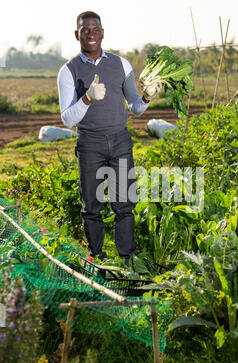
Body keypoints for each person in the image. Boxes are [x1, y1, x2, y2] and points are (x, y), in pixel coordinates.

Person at [57, 11, 161, 266]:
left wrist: (147, 97)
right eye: (85, 30)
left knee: (124, 203)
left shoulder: (121, 65)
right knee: (92, 205)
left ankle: (127, 257)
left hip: (120, 141)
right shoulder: (68, 71)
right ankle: (98, 257)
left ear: (103, 32)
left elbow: (135, 107)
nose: (90, 34)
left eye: (95, 29)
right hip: (90, 143)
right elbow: (68, 119)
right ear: (77, 34)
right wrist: (87, 97)